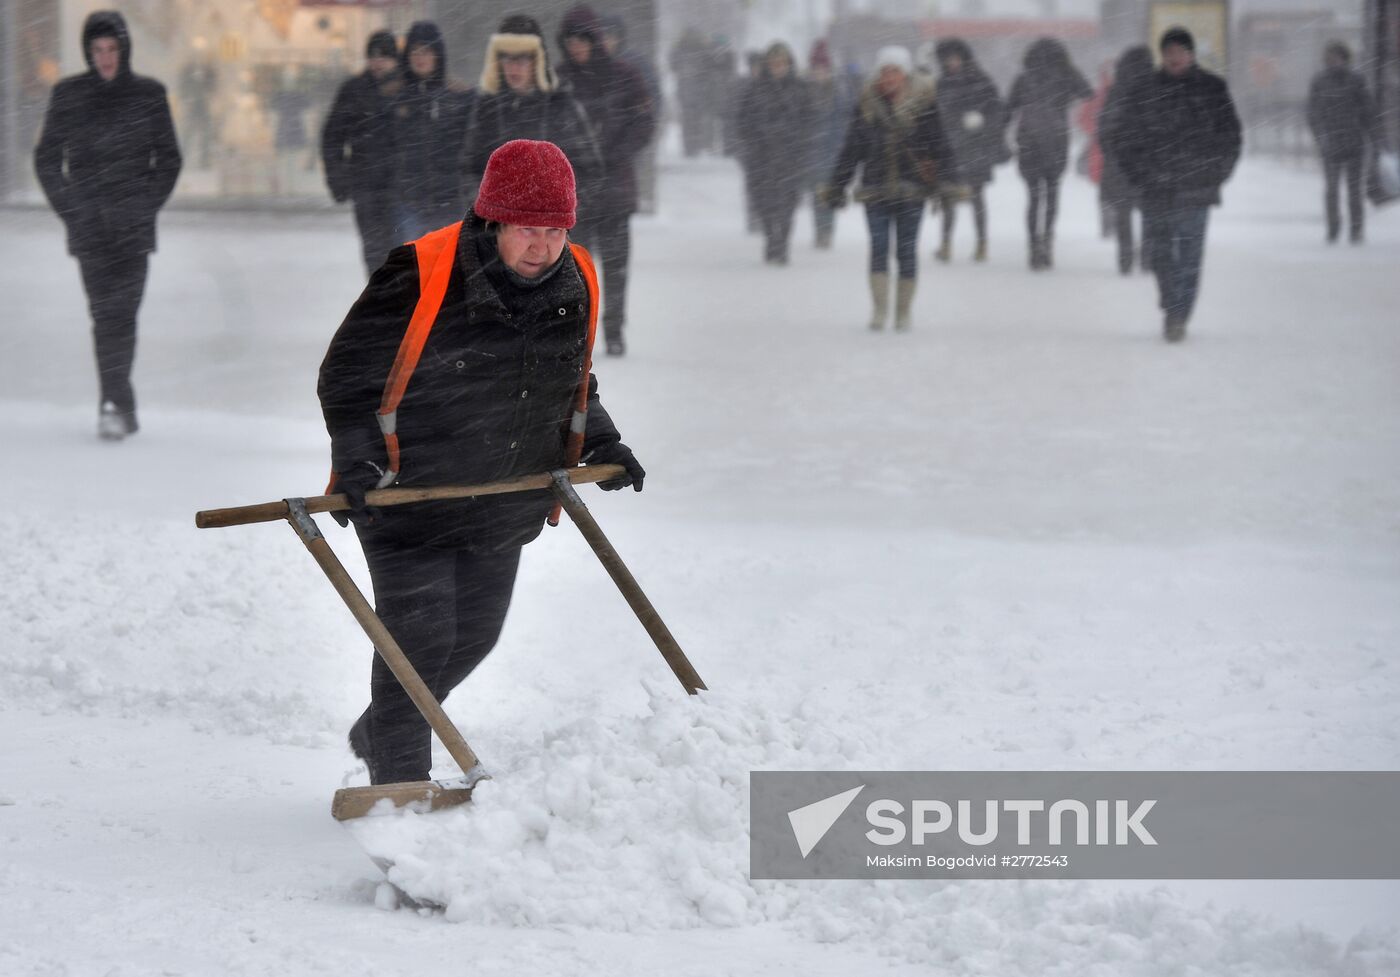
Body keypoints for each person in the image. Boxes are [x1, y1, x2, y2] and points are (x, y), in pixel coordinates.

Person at [318, 139, 646, 786]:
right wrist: (356, 459)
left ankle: (381, 729)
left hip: (503, 503)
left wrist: (602, 442)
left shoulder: (576, 278)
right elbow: (347, 373)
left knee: (475, 635)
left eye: (556, 231)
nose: (543, 247)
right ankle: (400, 788)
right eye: (528, 229)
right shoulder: (421, 271)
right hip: (407, 499)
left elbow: (573, 380)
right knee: (420, 639)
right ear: (494, 219)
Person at [33, 10, 182, 441]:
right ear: (87, 51)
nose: (105, 58)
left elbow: (169, 159)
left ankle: (117, 403)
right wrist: (72, 208)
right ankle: (114, 404)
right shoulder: (69, 95)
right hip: (90, 228)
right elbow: (47, 159)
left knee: (124, 316)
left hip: (133, 228)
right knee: (105, 316)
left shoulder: (148, 95)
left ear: (124, 49)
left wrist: (145, 203)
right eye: (97, 50)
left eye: (111, 48)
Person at [1101, 27, 1241, 342]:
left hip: (1196, 188)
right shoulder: (1144, 90)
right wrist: (1139, 174)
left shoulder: (1212, 89)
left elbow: (1231, 137)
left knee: (1190, 257)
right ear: (1162, 55)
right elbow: (1123, 138)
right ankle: (1171, 300)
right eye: (1170, 52)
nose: (1175, 58)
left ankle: (1179, 315)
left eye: (1181, 51)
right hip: (1156, 187)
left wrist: (1217, 172)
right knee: (1161, 253)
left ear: (1191, 55)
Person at [822, 45, 951, 332]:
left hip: (912, 190)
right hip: (876, 188)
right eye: (884, 72)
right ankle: (880, 309)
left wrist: (947, 181)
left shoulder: (925, 104)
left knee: (906, 251)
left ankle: (903, 312)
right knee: (878, 247)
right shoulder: (867, 105)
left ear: (905, 75)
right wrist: (837, 185)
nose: (888, 77)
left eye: (894, 72)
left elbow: (940, 146)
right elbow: (851, 148)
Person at [556, 5, 656, 357]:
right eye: (571, 40)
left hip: (614, 188)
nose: (577, 47)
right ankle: (577, 331)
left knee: (615, 266)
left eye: (583, 39)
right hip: (573, 193)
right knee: (573, 269)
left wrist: (617, 152)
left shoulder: (624, 75)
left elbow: (644, 123)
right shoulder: (559, 81)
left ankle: (614, 329)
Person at [467, 15, 602, 203]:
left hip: (551, 226)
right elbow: (470, 167)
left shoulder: (561, 104)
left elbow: (589, 169)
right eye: (506, 58)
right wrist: (486, 212)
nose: (513, 67)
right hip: (500, 225)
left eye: (521, 59)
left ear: (537, 61)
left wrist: (559, 213)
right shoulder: (487, 107)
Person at [1005, 37, 1091, 270]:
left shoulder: (1023, 79)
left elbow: (1008, 110)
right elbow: (1087, 93)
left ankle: (1034, 247)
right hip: (1056, 142)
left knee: (1033, 197)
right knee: (1052, 194)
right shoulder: (1064, 76)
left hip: (1029, 142)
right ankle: (1047, 243)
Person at [322, 30, 403, 274]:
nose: (378, 63)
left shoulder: (406, 88)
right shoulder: (353, 90)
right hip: (365, 184)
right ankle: (380, 300)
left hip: (400, 186)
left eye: (384, 57)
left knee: (401, 250)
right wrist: (339, 179)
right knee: (374, 250)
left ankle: (398, 303)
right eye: (373, 57)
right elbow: (332, 137)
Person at [391, 20, 473, 241]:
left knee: (449, 268)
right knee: (409, 268)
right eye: (414, 51)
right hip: (407, 202)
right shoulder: (394, 98)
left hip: (450, 200)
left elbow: (472, 146)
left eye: (426, 51)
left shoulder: (460, 97)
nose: (420, 57)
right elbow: (384, 148)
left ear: (438, 55)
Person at [735, 42, 813, 265]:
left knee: (788, 202)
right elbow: (743, 121)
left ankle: (783, 242)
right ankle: (771, 237)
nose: (778, 67)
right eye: (774, 63)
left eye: (782, 63)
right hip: (762, 157)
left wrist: (799, 143)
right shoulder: (755, 89)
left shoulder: (799, 89)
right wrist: (756, 139)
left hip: (791, 157)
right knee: (764, 201)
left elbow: (809, 121)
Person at [931, 38, 1006, 263]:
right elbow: (932, 115)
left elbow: (997, 111)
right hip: (949, 149)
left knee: (977, 197)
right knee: (948, 198)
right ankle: (945, 244)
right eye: (948, 59)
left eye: (955, 58)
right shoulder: (941, 83)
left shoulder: (980, 81)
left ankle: (981, 244)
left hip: (975, 147)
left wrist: (980, 121)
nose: (952, 63)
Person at [1307, 42, 1378, 244]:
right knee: (1332, 190)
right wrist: (1320, 136)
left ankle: (1356, 229)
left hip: (1353, 142)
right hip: (1332, 143)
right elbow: (1313, 112)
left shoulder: (1355, 80)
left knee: (1353, 190)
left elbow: (1368, 111)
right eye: (1330, 57)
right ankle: (1333, 228)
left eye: (1336, 57)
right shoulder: (1320, 81)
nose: (1333, 61)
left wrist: (1372, 137)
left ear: (1344, 58)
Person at [1096, 45, 1155, 274]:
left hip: (1120, 160)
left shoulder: (1116, 91)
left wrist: (1110, 153)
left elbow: (1104, 127)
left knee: (1123, 210)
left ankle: (1125, 257)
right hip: (1149, 162)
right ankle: (1148, 257)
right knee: (1149, 210)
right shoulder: (1157, 88)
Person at [805, 40, 856, 249]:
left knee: (829, 193)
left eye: (823, 69)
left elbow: (843, 120)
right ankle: (819, 230)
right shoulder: (805, 93)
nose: (820, 73)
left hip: (831, 150)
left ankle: (827, 231)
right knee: (816, 195)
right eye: (816, 69)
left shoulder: (838, 92)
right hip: (811, 152)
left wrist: (842, 144)